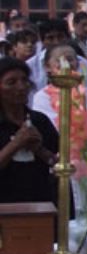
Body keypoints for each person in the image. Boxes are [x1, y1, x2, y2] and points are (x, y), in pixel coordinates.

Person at [32, 44, 87, 181]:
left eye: (71, 59)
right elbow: (51, 128)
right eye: (60, 60)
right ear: (47, 67)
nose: (67, 64)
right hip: (60, 158)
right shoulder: (42, 97)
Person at [0, 58, 59, 206]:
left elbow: (57, 164)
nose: (21, 87)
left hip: (40, 204)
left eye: (24, 81)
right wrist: (16, 144)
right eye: (11, 82)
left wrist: (39, 149)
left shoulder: (40, 121)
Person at [28, 19, 87, 91]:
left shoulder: (82, 63)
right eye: (50, 38)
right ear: (42, 40)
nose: (56, 42)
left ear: (68, 38)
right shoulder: (31, 65)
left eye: (60, 37)